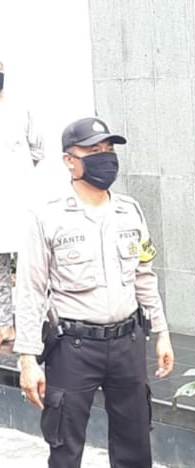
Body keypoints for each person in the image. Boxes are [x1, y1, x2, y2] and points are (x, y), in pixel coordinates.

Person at [15, 117, 174, 468]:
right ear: (70, 160)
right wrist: (27, 359)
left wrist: (161, 332)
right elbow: (29, 291)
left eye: (109, 149)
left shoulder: (129, 211)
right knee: (65, 446)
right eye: (93, 150)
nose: (105, 157)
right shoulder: (47, 217)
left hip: (127, 344)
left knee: (135, 442)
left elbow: (145, 275)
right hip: (73, 347)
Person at [0, 59, 45, 345]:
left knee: (33, 265)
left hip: (22, 199)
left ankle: (38, 325)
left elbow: (38, 149)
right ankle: (4, 325)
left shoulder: (20, 108)